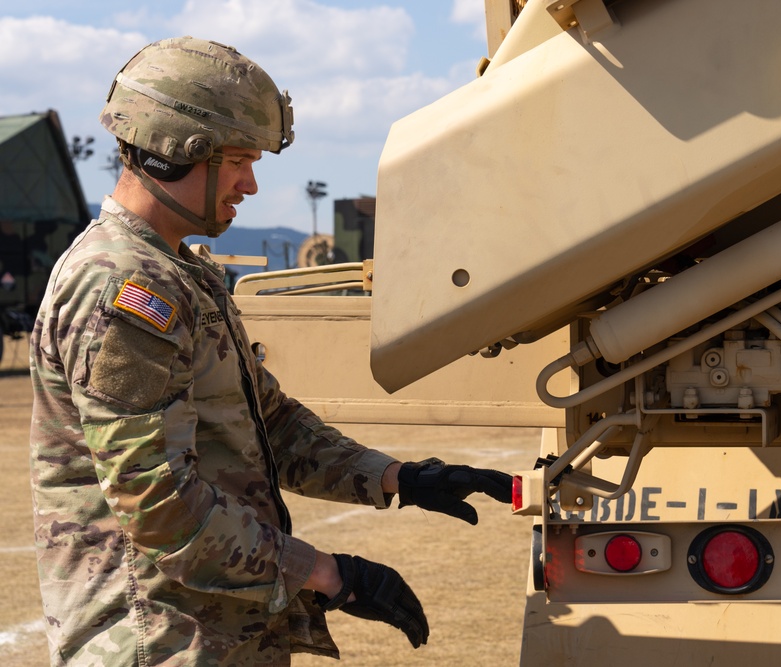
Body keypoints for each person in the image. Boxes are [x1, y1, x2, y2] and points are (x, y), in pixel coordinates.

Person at [29, 36, 512, 666]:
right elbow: (158, 502)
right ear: (178, 150)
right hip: (157, 638)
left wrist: (398, 478)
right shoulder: (126, 286)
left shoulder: (177, 273)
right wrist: (330, 573)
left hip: (208, 632)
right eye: (237, 160)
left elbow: (270, 424)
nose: (250, 184)